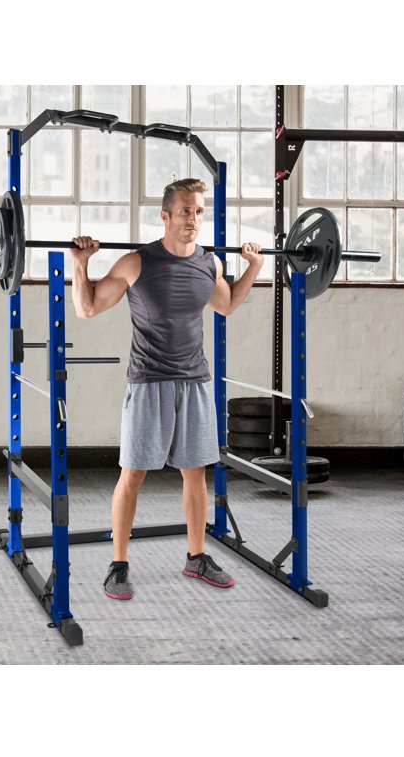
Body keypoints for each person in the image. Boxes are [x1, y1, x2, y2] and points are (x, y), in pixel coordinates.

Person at [71, 178, 264, 600]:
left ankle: (197, 557)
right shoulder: (136, 263)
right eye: (184, 211)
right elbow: (86, 309)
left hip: (195, 381)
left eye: (198, 211)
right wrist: (80, 263)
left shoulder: (209, 263)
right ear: (165, 215)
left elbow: (226, 305)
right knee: (133, 474)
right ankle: (118, 565)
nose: (192, 219)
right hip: (148, 382)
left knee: (195, 473)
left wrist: (253, 268)